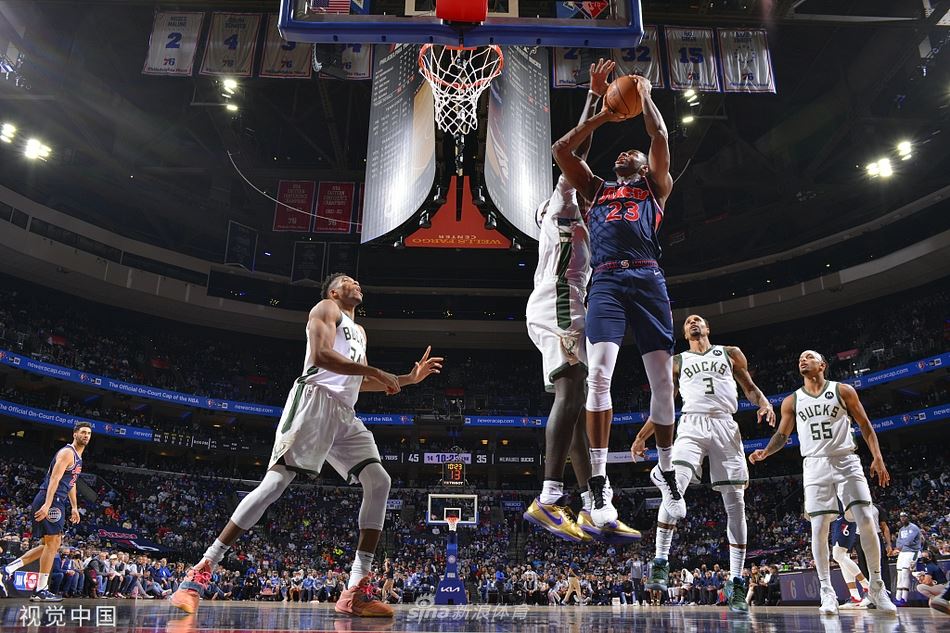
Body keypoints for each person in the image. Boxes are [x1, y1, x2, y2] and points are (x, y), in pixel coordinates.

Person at [169, 273, 442, 618]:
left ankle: (355, 590)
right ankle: (199, 573)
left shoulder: (360, 331)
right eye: (348, 280)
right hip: (314, 401)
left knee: (379, 481)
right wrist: (378, 371)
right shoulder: (326, 308)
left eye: (357, 281)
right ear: (334, 291)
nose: (357, 283)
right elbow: (322, 356)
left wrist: (406, 379)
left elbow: (355, 381)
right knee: (274, 484)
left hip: (344, 413)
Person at [552, 70, 679, 530]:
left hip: (647, 278)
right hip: (605, 281)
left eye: (632, 153)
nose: (624, 153)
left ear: (644, 167)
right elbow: (561, 151)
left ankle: (667, 469)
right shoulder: (597, 189)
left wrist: (643, 95)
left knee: (661, 382)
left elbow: (659, 135)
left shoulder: (654, 188)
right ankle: (600, 483)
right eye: (621, 152)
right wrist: (602, 116)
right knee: (599, 376)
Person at [525, 57, 639, 545]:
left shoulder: (593, 218)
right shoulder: (564, 203)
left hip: (564, 306)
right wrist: (596, 102)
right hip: (558, 304)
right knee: (575, 393)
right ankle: (549, 498)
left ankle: (593, 504)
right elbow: (574, 149)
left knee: (573, 405)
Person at [632, 314, 774, 611]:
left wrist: (763, 402)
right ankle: (660, 561)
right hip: (692, 424)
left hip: (725, 425)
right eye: (688, 322)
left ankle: (736, 581)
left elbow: (749, 386)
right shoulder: (677, 361)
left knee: (736, 503)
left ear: (707, 328)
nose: (693, 323)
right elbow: (664, 402)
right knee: (676, 485)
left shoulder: (730, 353)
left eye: (698, 320)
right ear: (685, 334)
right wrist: (642, 435)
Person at [749, 350, 896, 615]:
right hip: (814, 464)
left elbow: (865, 424)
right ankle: (827, 591)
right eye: (800, 358)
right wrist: (766, 452)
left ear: (822, 365)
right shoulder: (792, 400)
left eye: (808, 357)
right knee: (818, 527)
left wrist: (878, 457)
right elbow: (782, 435)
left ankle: (877, 586)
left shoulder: (843, 390)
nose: (802, 360)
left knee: (866, 519)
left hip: (845, 459)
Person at [0, 422, 91, 601]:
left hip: (58, 500)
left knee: (49, 545)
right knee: (53, 543)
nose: (86, 435)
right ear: (75, 434)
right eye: (83, 432)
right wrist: (48, 504)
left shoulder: (78, 457)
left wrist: (74, 507)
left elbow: (71, 483)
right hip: (51, 499)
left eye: (88, 433)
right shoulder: (67, 453)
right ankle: (41, 589)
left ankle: (7, 570)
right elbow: (55, 479)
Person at [831, 505, 870, 608]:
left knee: (838, 555)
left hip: (846, 517)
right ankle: (855, 596)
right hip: (839, 519)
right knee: (842, 558)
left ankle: (866, 585)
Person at [893, 511, 923, 605]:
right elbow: (898, 543)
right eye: (901, 517)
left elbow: (909, 541)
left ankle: (904, 599)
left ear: (908, 517)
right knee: (899, 574)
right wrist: (901, 544)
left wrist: (902, 543)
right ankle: (897, 597)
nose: (902, 518)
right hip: (903, 552)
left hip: (912, 552)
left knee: (905, 573)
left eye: (904, 516)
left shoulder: (914, 528)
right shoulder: (901, 529)